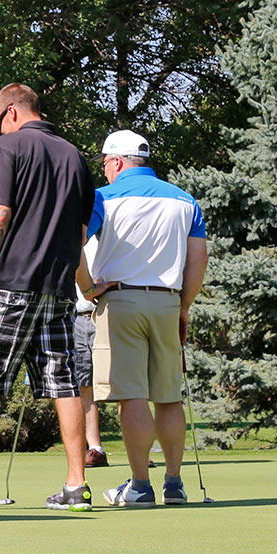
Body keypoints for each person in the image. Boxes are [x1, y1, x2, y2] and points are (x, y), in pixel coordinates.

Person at [0, 83, 96, 511]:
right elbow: (83, 229)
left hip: (11, 282)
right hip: (58, 288)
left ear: (10, 112)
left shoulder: (6, 147)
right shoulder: (73, 155)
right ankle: (75, 484)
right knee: (63, 382)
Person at [78, 130, 208, 507]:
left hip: (120, 301)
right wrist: (184, 306)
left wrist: (88, 288)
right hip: (168, 302)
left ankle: (139, 487)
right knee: (169, 396)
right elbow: (197, 259)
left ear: (117, 162)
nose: (104, 170)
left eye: (104, 163)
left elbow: (75, 242)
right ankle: (174, 483)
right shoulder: (185, 200)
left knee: (131, 395)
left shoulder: (104, 197)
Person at [75, 239, 108, 467]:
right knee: (84, 384)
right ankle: (95, 448)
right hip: (76, 317)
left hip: (106, 314)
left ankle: (139, 451)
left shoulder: (108, 236)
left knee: (120, 383)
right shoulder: (69, 234)